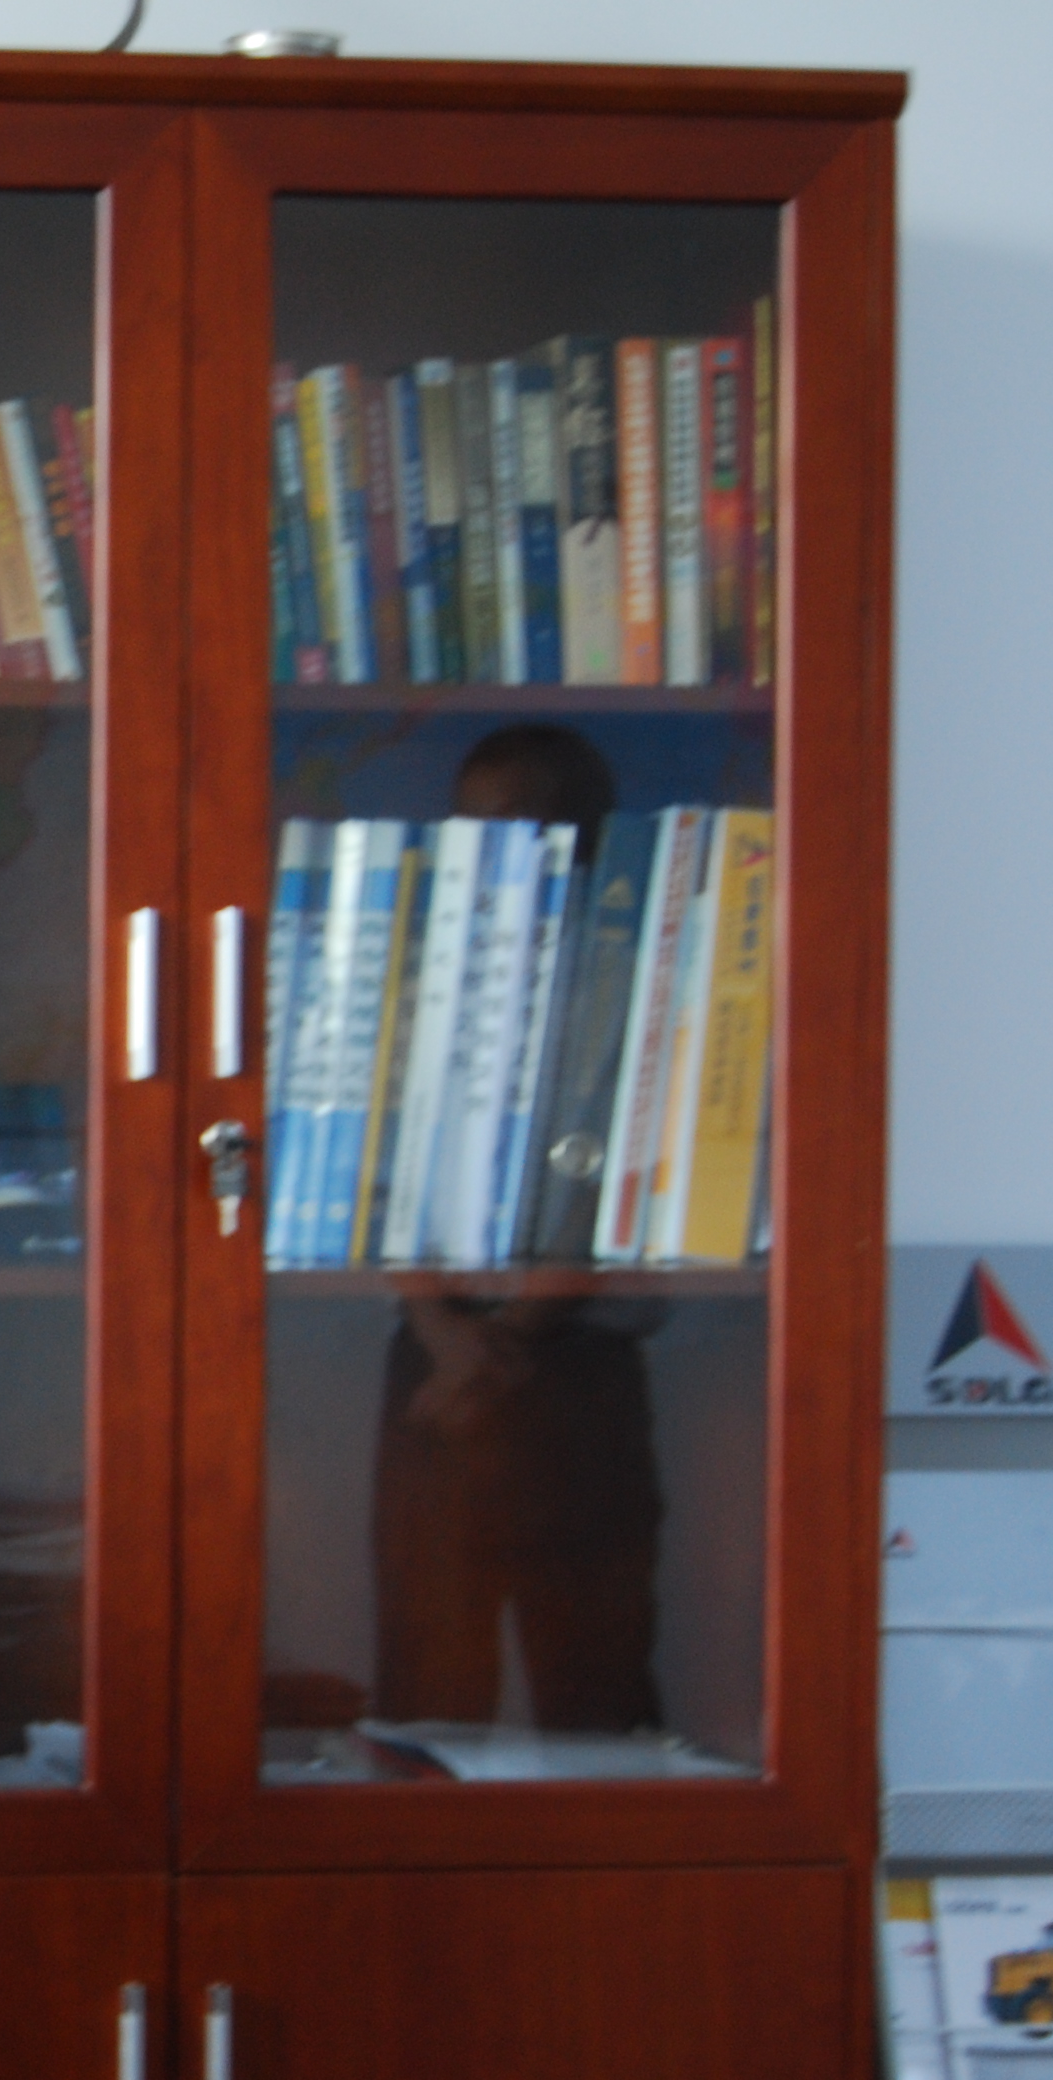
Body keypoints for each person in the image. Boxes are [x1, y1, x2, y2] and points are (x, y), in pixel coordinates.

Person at [372, 723, 668, 1732]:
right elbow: (382, 1168)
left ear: (578, 839)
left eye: (511, 824)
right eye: (467, 825)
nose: (481, 849)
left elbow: (611, 1179)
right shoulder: (425, 969)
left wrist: (501, 1343)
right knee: (424, 1668)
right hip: (432, 1360)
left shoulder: (630, 973)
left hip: (573, 1373)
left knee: (591, 1674)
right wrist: (443, 1336)